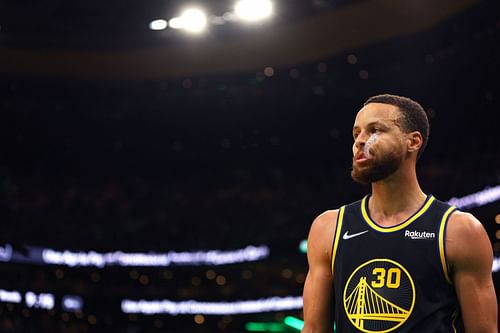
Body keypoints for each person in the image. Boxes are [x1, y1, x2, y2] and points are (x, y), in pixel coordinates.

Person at [302, 94, 497, 333]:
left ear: (413, 141)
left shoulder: (460, 230)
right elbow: (313, 329)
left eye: (374, 130)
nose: (360, 141)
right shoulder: (328, 227)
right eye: (356, 133)